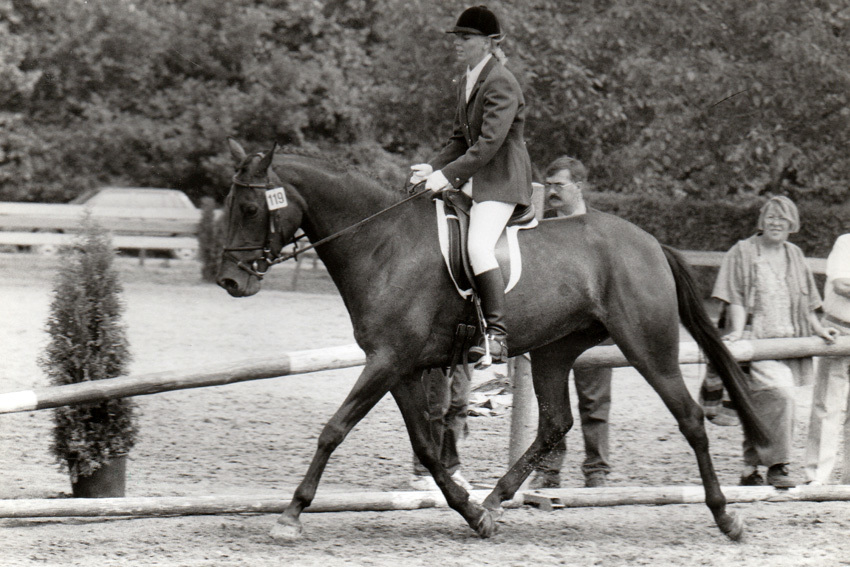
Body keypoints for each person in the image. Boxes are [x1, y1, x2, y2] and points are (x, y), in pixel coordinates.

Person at [409, 5, 533, 367]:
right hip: (475, 180)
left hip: (501, 182)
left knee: (478, 246)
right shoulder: (468, 79)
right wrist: (431, 168)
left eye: (465, 37)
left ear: (489, 42)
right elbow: (459, 141)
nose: (457, 43)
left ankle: (497, 335)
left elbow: (489, 144)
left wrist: (446, 176)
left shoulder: (501, 82)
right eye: (457, 37)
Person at [712, 196, 837, 488]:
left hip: (790, 342)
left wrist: (819, 329)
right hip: (757, 342)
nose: (776, 223)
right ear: (761, 221)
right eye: (771, 217)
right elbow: (736, 296)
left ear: (792, 224)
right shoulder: (743, 251)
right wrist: (738, 331)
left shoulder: (794, 254)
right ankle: (778, 466)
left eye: (783, 219)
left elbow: (807, 300)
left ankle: (749, 470)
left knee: (762, 403)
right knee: (782, 396)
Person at [528, 156, 612, 489]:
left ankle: (597, 468)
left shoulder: (602, 229)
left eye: (559, 186)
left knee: (595, 401)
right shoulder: (538, 227)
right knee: (551, 401)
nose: (552, 192)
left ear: (578, 186)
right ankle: (549, 469)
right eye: (548, 186)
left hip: (593, 327)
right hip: (551, 327)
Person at [804, 233, 850, 485]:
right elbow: (841, 285)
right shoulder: (846, 242)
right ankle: (817, 477)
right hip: (839, 330)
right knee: (827, 406)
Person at [409, 367, 474, 491]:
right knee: (436, 405)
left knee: (459, 404)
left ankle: (448, 470)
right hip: (441, 357)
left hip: (465, 356)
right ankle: (423, 472)